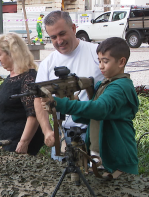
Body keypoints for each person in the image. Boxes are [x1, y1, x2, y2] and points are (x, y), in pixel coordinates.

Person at [41, 37, 139, 175]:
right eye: (99, 61)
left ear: (121, 62)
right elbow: (93, 117)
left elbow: (100, 109)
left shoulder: (120, 87)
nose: (101, 66)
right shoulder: (106, 84)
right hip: (100, 159)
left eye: (105, 61)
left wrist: (61, 103)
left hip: (118, 161)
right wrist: (76, 104)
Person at [33, 11, 104, 160]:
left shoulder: (97, 54)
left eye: (62, 34)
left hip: (96, 133)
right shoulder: (48, 64)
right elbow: (39, 99)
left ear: (73, 28)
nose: (59, 41)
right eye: (53, 37)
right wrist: (47, 131)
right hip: (65, 135)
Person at [0, 33, 44, 155]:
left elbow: (34, 113)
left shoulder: (29, 78)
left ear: (12, 53)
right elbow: (5, 107)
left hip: (22, 140)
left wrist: (24, 142)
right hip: (9, 138)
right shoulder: (11, 76)